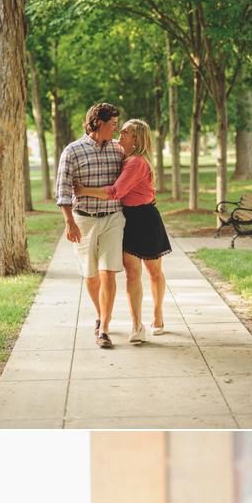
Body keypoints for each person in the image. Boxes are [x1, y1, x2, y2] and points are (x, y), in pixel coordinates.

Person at [73, 119, 170, 344]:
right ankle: (137, 324)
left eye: (125, 131)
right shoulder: (122, 156)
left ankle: (158, 315)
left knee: (154, 271)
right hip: (127, 219)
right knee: (132, 274)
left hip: (145, 218)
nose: (119, 132)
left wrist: (84, 190)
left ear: (136, 139)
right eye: (120, 128)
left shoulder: (136, 162)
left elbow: (116, 191)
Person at [55, 103, 125, 349]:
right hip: (83, 219)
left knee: (109, 272)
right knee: (91, 274)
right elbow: (63, 188)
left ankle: (103, 328)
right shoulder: (72, 151)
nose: (117, 129)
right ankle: (101, 313)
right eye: (114, 124)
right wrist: (69, 222)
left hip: (113, 218)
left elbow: (132, 176)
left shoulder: (119, 150)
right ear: (99, 123)